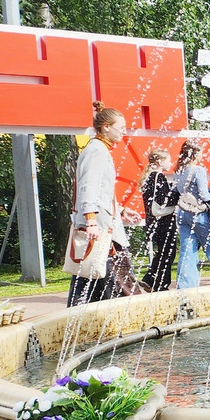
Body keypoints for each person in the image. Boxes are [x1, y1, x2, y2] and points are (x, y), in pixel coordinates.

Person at [67, 102, 132, 306]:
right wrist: (91, 221)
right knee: (98, 274)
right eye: (120, 127)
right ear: (106, 127)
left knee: (93, 274)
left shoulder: (100, 149)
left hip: (103, 224)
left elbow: (101, 192)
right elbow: (88, 188)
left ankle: (82, 318)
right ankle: (91, 319)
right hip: (100, 227)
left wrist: (120, 211)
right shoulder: (96, 151)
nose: (124, 131)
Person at [173, 140, 210, 289]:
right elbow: (204, 195)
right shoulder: (198, 170)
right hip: (200, 214)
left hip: (183, 213)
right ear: (195, 153)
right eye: (201, 152)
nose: (203, 155)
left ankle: (185, 287)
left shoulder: (178, 170)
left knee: (187, 250)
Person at [140, 147, 179, 293]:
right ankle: (161, 285)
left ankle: (149, 279)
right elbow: (165, 200)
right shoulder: (159, 177)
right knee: (168, 252)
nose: (171, 163)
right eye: (168, 160)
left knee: (162, 252)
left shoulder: (148, 177)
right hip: (164, 222)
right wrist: (178, 194)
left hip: (154, 222)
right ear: (160, 161)